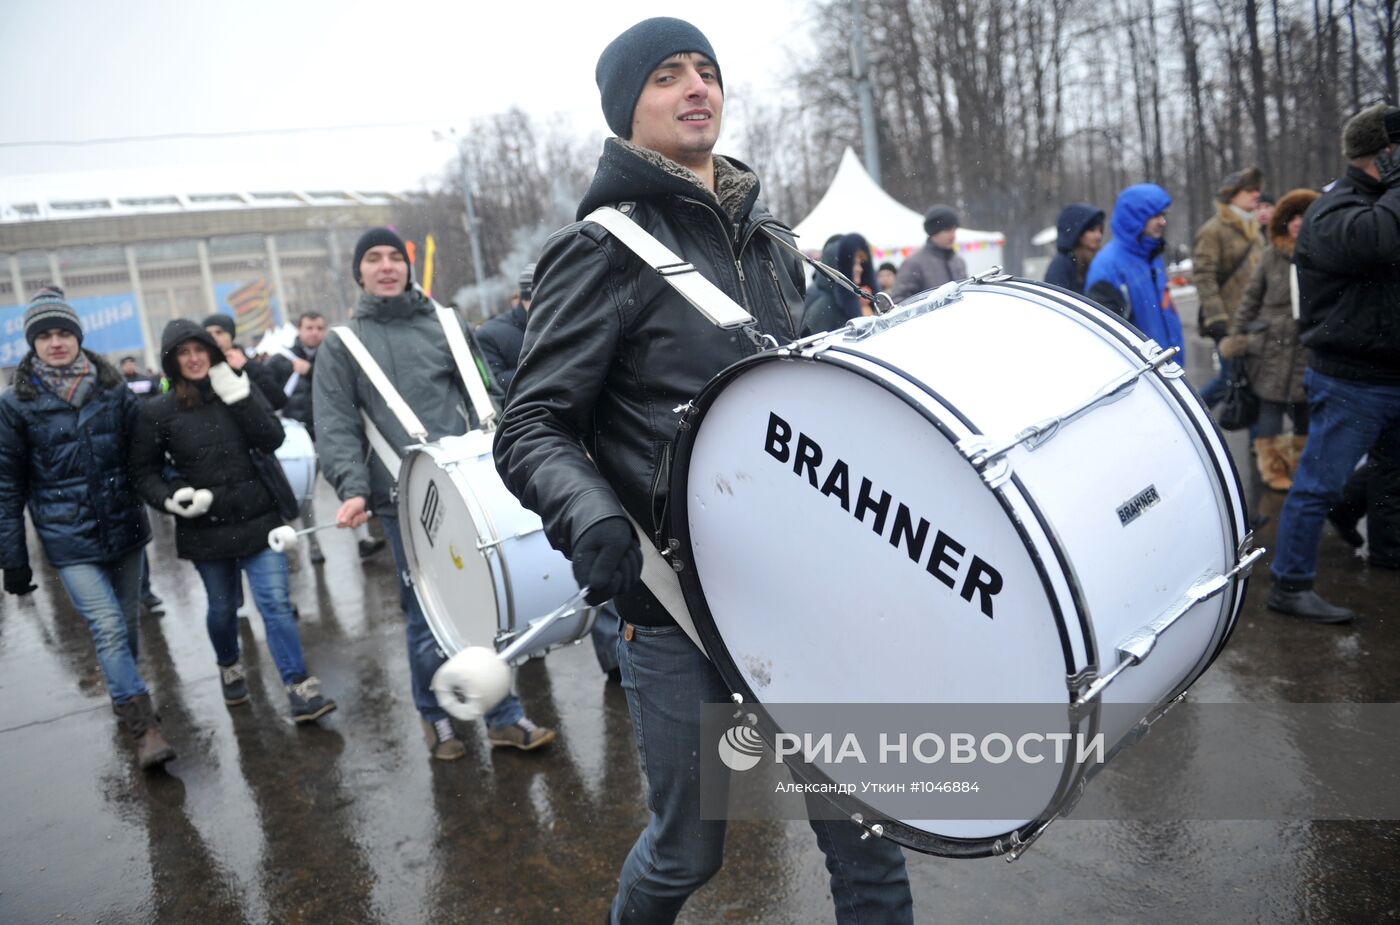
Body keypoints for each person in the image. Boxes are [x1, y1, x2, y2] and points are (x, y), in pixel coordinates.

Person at [494, 18, 913, 924]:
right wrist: (592, 516)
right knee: (690, 849)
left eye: (708, 72)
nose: (697, 88)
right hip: (675, 601)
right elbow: (529, 423)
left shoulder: (768, 239)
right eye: (667, 76)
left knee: (868, 841)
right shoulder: (598, 249)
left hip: (799, 589)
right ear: (626, 109)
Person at [315, 227, 555, 759]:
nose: (385, 266)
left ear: (407, 266)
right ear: (359, 272)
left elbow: (487, 395)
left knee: (488, 606)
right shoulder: (342, 343)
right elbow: (334, 425)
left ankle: (500, 716)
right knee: (429, 614)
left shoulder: (446, 323)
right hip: (401, 501)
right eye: (373, 259)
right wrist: (352, 490)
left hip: (468, 490)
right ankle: (436, 716)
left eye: (394, 257)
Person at [0, 287, 175, 770]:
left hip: (124, 527)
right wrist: (12, 559)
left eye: (64, 333)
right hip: (67, 538)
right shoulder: (16, 403)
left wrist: (175, 489)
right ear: (32, 343)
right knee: (107, 626)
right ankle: (145, 727)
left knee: (125, 626)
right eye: (45, 335)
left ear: (77, 337)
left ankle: (125, 694)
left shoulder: (112, 389)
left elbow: (144, 455)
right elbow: (8, 486)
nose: (56, 342)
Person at [129, 319, 336, 722]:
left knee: (276, 605)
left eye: (199, 350)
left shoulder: (236, 389)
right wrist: (172, 498)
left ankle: (300, 688)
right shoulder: (157, 411)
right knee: (223, 611)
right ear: (172, 362)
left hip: (260, 519)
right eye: (184, 353)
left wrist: (240, 396)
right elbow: (143, 473)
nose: (193, 359)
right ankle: (229, 663)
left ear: (212, 351)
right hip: (207, 529)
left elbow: (273, 438)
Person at [1267, 102, 1400, 623]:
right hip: (1350, 381)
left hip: (1389, 372)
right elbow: (1380, 239)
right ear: (1385, 154)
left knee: (1392, 476)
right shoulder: (1333, 210)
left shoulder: (1381, 201)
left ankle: (1388, 550)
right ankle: (1289, 584)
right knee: (1316, 484)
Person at [475, 260, 623, 683]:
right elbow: (503, 391)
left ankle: (612, 653)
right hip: (532, 454)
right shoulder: (493, 334)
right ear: (524, 299)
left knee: (604, 547)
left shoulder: (577, 315)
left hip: (581, 447)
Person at [1219, 188, 1319, 491]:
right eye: (1293, 217)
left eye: (1305, 216)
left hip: (1307, 344)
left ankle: (1301, 465)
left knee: (1305, 409)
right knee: (1271, 408)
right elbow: (1251, 298)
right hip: (1272, 344)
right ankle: (1273, 468)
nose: (1298, 223)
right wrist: (1237, 335)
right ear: (1284, 222)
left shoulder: (1322, 254)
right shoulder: (1270, 256)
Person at [1194, 167, 1265, 408]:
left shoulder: (1255, 229)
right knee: (1228, 381)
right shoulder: (1213, 230)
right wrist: (1218, 319)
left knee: (1258, 384)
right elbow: (1204, 277)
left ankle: (1258, 445)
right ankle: (1194, 415)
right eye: (1249, 190)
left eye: (1257, 190)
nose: (1256, 195)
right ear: (1232, 195)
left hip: (1257, 322)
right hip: (1230, 323)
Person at [1085, 184, 1184, 358]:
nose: (1162, 222)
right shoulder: (1108, 266)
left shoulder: (1152, 255)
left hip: (1166, 367)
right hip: (1143, 374)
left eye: (1163, 215)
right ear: (1135, 218)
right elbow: (1107, 338)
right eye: (1155, 216)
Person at [203, 313, 287, 411]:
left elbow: (278, 400)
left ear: (231, 336)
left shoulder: (250, 365)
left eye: (219, 332)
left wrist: (246, 366)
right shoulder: (201, 370)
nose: (213, 337)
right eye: (208, 334)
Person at [799, 232, 876, 336]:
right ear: (838, 267)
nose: (860, 269)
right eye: (854, 264)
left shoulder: (854, 302)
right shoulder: (824, 306)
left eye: (860, 263)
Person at [889, 203, 966, 301]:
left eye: (954, 230)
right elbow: (899, 301)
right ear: (934, 232)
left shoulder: (958, 261)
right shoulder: (914, 263)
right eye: (947, 230)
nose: (953, 235)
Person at [476, 263, 533, 393]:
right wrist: (539, 370)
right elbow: (494, 382)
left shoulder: (560, 324)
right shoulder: (490, 334)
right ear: (526, 299)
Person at [1044, 203, 1105, 294]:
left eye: (1100, 230)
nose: (1099, 236)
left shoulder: (1093, 261)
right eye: (1092, 230)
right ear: (1077, 233)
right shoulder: (1061, 266)